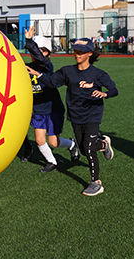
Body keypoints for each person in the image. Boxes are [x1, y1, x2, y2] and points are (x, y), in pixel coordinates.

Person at [27, 38, 118, 196]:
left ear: (89, 54)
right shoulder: (67, 71)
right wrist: (38, 74)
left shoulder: (98, 74)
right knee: (83, 149)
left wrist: (104, 94)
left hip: (93, 114)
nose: (77, 55)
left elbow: (114, 90)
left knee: (89, 149)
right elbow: (52, 83)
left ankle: (96, 182)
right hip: (75, 115)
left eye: (81, 52)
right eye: (75, 51)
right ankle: (103, 144)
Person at [20, 26, 78, 171]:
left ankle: (72, 144)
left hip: (52, 109)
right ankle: (52, 162)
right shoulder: (25, 66)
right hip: (37, 110)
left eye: (41, 50)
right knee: (40, 140)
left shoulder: (47, 66)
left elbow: (39, 58)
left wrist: (29, 41)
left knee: (53, 142)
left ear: (46, 53)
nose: (37, 53)